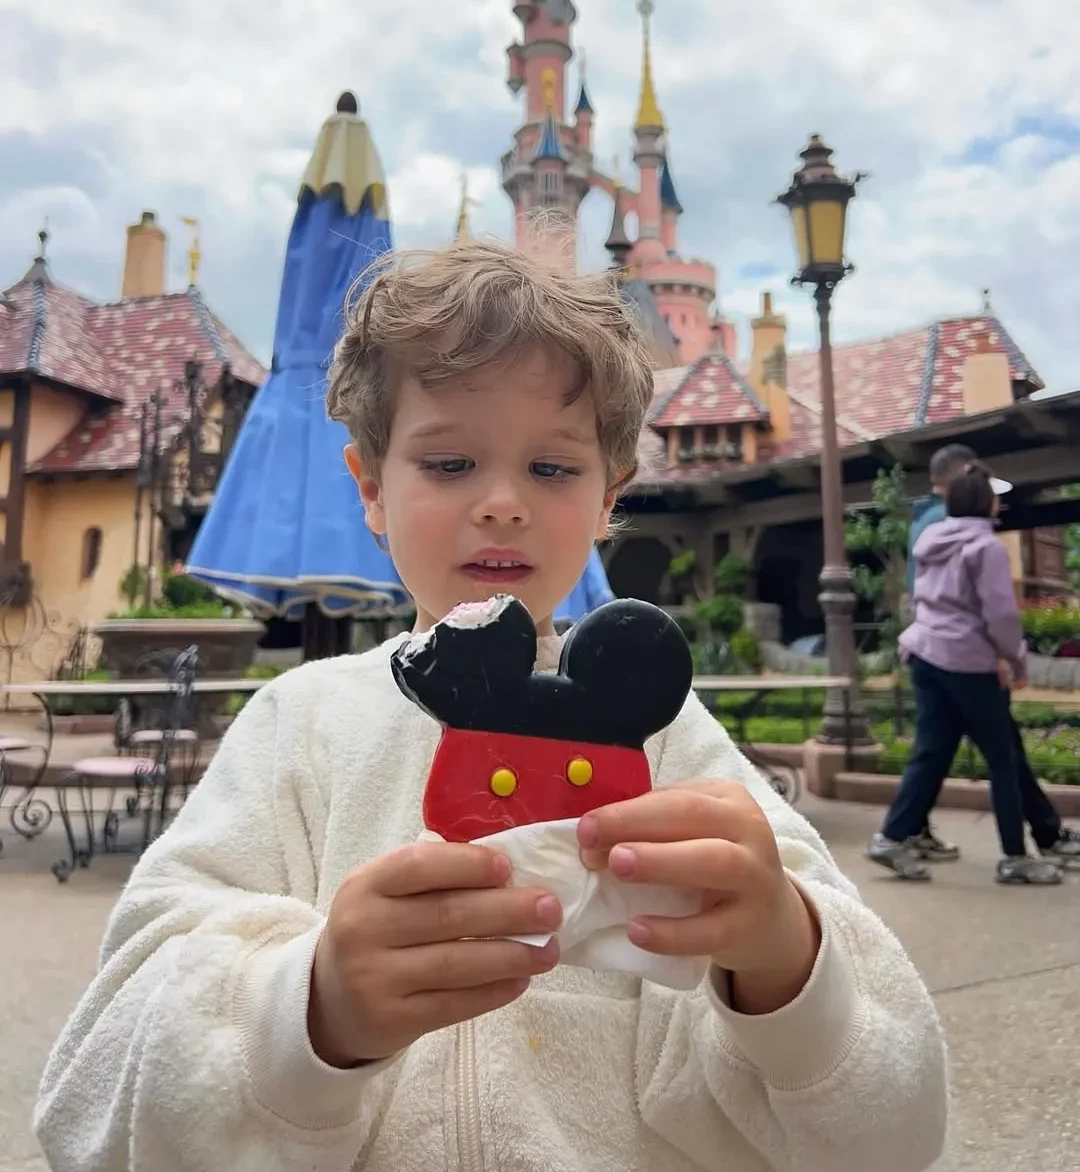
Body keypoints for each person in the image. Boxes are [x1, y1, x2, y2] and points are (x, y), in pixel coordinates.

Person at [36, 241, 948, 1172]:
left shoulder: (667, 740)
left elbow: (892, 1130)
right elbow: (94, 1098)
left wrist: (785, 960)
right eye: (450, 462)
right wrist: (308, 1010)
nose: (504, 503)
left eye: (551, 469)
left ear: (608, 498)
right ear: (371, 489)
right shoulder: (296, 728)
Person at [868, 463, 1063, 886]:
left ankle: (890, 838)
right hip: (967, 661)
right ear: (985, 502)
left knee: (931, 751)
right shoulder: (986, 547)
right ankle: (1015, 858)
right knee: (1002, 758)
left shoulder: (930, 539)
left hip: (924, 653)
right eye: (995, 496)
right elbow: (1001, 617)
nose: (1000, 503)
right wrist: (1016, 662)